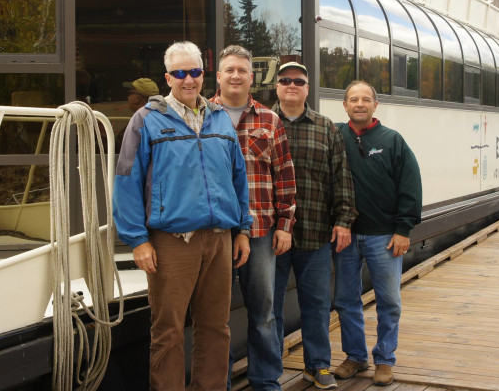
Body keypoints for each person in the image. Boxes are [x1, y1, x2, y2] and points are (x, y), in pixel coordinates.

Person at [112, 41, 253, 390]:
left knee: (216, 328)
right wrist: (138, 240)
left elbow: (238, 178)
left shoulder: (219, 118)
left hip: (219, 240)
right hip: (171, 244)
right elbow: (126, 181)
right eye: (179, 73)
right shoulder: (146, 120)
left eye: (194, 72)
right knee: (168, 331)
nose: (188, 79)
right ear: (168, 78)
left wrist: (244, 230)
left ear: (204, 75)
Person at [209, 45, 297, 391]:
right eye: (229, 70)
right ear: (218, 76)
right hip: (213, 232)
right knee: (217, 317)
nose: (235, 76)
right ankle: (221, 382)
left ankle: (265, 380)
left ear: (251, 77)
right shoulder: (201, 116)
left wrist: (286, 227)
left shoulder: (269, 120)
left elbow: (285, 177)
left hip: (260, 232)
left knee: (264, 313)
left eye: (242, 71)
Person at [271, 61, 357, 390]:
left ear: (308, 88)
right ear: (276, 87)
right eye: (285, 80)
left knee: (317, 306)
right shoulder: (262, 123)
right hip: (271, 237)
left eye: (299, 81)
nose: (292, 84)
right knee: (270, 309)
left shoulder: (326, 128)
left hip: (316, 234)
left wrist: (344, 221)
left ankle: (317, 365)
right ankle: (270, 369)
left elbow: (341, 178)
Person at [332, 80, 422, 386]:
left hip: (383, 237)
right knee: (346, 300)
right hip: (345, 236)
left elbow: (410, 186)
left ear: (375, 105)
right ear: (344, 105)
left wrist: (403, 229)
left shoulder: (392, 140)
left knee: (389, 300)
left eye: (365, 99)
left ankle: (384, 359)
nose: (359, 104)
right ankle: (355, 357)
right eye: (353, 99)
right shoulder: (336, 136)